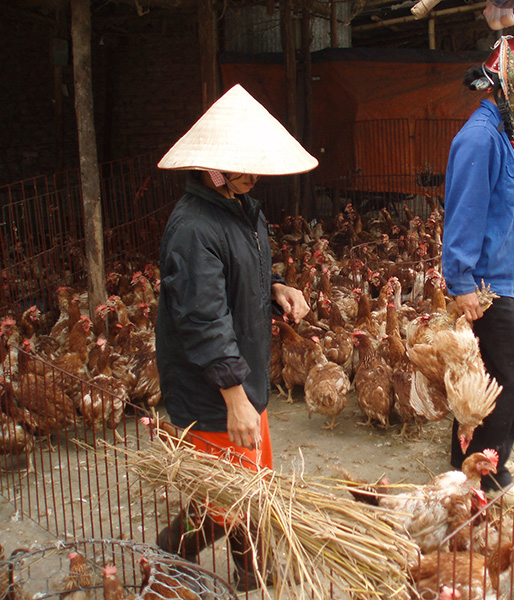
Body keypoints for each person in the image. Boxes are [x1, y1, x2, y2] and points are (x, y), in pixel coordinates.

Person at [153, 84, 315, 590]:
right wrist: (234, 399)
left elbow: (238, 276)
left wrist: (275, 288)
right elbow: (203, 320)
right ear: (214, 168)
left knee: (251, 485)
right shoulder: (193, 228)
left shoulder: (242, 210)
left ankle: (250, 574)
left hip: (244, 375)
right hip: (212, 389)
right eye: (244, 165)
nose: (255, 173)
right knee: (223, 502)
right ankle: (169, 553)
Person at [441, 36, 514, 493]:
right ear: (512, 88)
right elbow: (465, 211)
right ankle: (486, 477)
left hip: (500, 282)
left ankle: (464, 470)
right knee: (511, 377)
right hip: (483, 286)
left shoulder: (506, 137)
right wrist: (461, 281)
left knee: (486, 380)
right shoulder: (480, 138)